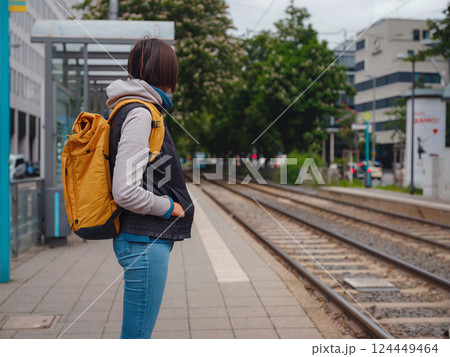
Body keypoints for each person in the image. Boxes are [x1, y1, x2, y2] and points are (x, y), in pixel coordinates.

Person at [106, 37, 194, 339]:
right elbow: (125, 190)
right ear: (168, 74)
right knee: (136, 339)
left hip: (144, 239)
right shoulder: (141, 113)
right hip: (144, 241)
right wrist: (171, 207)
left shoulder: (137, 109)